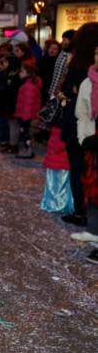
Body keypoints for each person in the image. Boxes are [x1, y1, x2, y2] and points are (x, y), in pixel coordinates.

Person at [59, 23, 98, 227]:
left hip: (77, 125)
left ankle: (81, 211)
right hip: (88, 125)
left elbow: (67, 91)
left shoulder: (77, 66)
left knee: (77, 168)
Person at [71, 45, 98, 264]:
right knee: (93, 190)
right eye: (97, 53)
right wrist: (83, 139)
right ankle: (94, 233)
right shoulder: (88, 82)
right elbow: (81, 114)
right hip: (93, 142)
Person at [12, 63, 42, 159]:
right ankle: (26, 150)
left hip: (27, 116)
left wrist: (25, 117)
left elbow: (29, 103)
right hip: (25, 114)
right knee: (25, 133)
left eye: (22, 71)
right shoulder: (27, 84)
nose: (19, 73)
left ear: (28, 73)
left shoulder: (29, 86)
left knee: (26, 134)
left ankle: (27, 151)